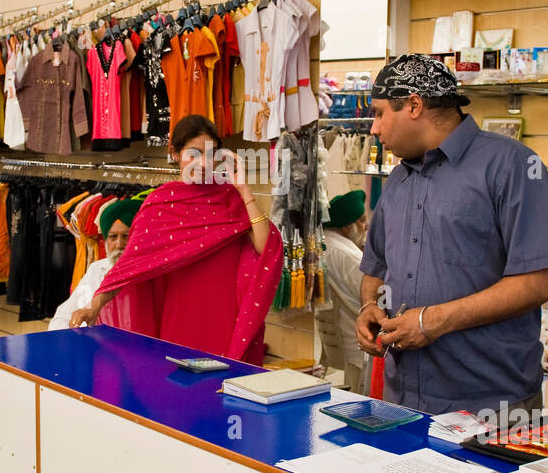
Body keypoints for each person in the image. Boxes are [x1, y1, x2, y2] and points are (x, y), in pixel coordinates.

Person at [354, 54, 548, 418]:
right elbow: (376, 268)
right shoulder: (399, 179)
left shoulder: (513, 166)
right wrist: (368, 306)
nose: (374, 128)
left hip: (491, 408)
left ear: (414, 106)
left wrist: (431, 321)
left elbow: (544, 281)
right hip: (402, 399)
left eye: (379, 113)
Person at [70, 114, 283, 363]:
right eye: (194, 154)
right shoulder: (159, 204)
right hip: (179, 323)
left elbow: (266, 247)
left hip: (226, 322)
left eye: (211, 153)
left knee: (225, 391)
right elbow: (128, 268)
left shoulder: (231, 199)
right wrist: (94, 307)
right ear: (174, 153)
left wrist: (245, 191)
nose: (203, 163)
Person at [48, 195, 140, 330]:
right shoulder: (98, 270)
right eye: (113, 237)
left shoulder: (154, 274)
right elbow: (64, 315)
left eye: (126, 236)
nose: (119, 244)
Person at [318, 189, 369, 391]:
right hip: (359, 344)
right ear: (348, 227)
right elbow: (377, 298)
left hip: (337, 342)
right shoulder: (346, 255)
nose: (366, 226)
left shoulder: (324, 243)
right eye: (362, 221)